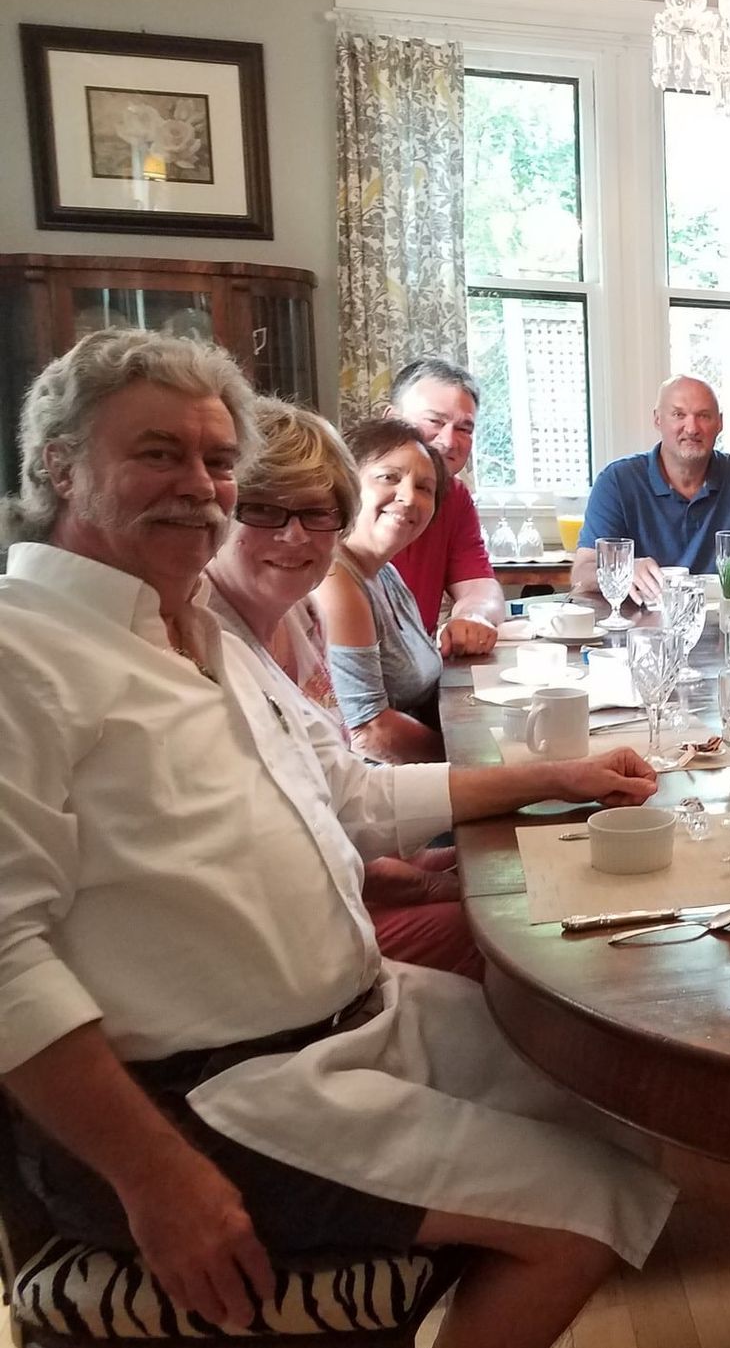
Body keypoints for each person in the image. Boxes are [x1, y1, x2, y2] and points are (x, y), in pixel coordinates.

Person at [0, 330, 677, 1348]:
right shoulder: (24, 650)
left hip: (357, 1014)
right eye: (156, 453)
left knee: (613, 1093)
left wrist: (561, 777)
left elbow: (348, 792)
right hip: (203, 1093)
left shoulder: (198, 629)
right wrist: (154, 1176)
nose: (202, 486)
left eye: (219, 460)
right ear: (58, 464)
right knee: (586, 1207)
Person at [204, 398, 481, 980]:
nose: (295, 534)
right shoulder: (322, 590)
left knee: (517, 867)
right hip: (318, 913)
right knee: (503, 921)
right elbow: (369, 735)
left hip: (362, 845)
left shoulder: (312, 612)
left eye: (315, 512)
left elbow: (330, 790)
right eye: (266, 511)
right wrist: (483, 769)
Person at [572, 374, 730, 602]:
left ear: (719, 423)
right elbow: (582, 572)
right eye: (678, 415)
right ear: (658, 419)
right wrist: (625, 570)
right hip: (641, 632)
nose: (691, 428)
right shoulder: (616, 481)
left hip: (725, 629)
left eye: (704, 415)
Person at [316, 417, 449, 764]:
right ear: (347, 483)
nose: (408, 497)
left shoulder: (385, 573)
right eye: (389, 477)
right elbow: (368, 733)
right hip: (374, 786)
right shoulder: (336, 580)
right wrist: (471, 757)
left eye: (425, 488)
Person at [386, 358, 505, 658]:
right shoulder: (347, 491)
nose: (449, 441)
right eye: (434, 421)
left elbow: (480, 586)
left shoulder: (454, 495)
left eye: (464, 428)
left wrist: (473, 616)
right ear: (390, 420)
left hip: (414, 671)